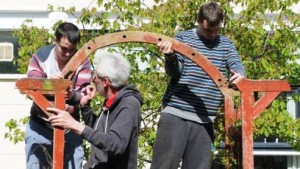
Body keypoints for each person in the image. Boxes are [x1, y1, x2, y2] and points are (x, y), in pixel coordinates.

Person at [150, 2, 246, 169]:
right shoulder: (183, 38)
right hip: (175, 114)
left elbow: (236, 65)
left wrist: (239, 75)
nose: (213, 34)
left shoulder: (225, 44)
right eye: (208, 30)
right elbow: (174, 72)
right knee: (163, 166)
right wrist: (171, 56)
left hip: (205, 120)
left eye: (217, 30)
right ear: (199, 21)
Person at [46, 50, 144, 169]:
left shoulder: (129, 105)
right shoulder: (112, 101)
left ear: (105, 82)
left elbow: (115, 144)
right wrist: (85, 107)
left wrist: (74, 124)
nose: (92, 80)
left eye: (95, 76)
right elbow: (99, 133)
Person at [25, 22, 92, 169]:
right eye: (64, 48)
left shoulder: (82, 62)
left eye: (72, 50)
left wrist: (70, 94)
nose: (67, 54)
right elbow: (31, 87)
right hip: (40, 126)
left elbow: (83, 95)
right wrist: (50, 86)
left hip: (70, 127)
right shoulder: (40, 58)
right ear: (55, 40)